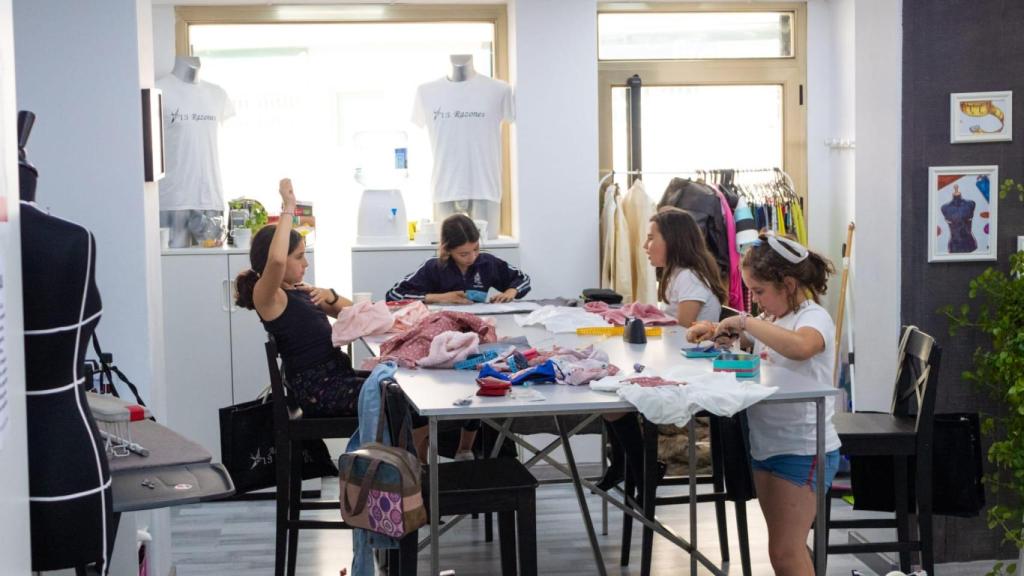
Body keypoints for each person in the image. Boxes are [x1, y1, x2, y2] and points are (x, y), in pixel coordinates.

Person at [688, 231, 842, 576]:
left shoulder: (813, 318)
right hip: (768, 445)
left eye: (759, 292)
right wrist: (725, 332)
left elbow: (800, 347)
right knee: (785, 549)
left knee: (786, 552)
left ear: (788, 283)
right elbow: (768, 348)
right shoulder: (775, 319)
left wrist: (746, 322)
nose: (755, 301)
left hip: (803, 448)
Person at [235, 178, 360, 417]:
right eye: (299, 256)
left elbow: (352, 313)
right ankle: (391, 454)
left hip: (337, 378)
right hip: (320, 390)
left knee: (398, 385)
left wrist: (330, 295)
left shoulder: (298, 289)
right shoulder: (268, 297)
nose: (306, 263)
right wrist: (288, 206)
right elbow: (277, 261)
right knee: (394, 396)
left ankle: (401, 452)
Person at [385, 213, 531, 304]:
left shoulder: (487, 262)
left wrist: (510, 292)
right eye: (463, 254)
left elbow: (523, 279)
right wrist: (440, 298)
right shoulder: (433, 267)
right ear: (448, 250)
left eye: (475, 249)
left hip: (478, 326)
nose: (472, 258)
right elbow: (394, 295)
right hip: (440, 331)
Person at [645, 207, 726, 327]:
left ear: (671, 240)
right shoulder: (676, 273)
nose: (645, 245)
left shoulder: (690, 277)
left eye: (651, 238)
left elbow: (682, 332)